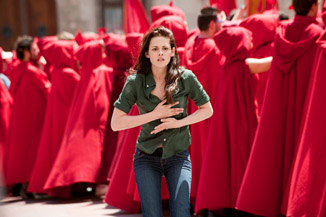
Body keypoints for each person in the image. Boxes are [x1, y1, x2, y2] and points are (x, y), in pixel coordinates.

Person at [111, 26, 213, 217]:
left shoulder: (186, 78)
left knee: (181, 212)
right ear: (147, 53)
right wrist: (154, 114)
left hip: (178, 155)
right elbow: (116, 123)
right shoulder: (135, 82)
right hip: (146, 156)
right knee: (152, 214)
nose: (160, 53)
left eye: (165, 48)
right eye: (155, 49)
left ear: (173, 51)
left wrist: (178, 123)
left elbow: (207, 110)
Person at [235, 0, 323, 216]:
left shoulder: (282, 32)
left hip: (282, 105)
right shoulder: (319, 34)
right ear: (313, 7)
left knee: (279, 151)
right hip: (307, 104)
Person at [183, 6, 223, 202]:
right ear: (213, 24)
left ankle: (193, 196)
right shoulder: (216, 49)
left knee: (193, 153)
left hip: (191, 109)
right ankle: (209, 198)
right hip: (212, 107)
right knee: (211, 153)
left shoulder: (188, 49)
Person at [4, 36, 50, 199]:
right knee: (34, 151)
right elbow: (48, 90)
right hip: (34, 117)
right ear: (26, 52)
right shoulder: (31, 71)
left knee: (25, 152)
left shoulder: (16, 69)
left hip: (22, 117)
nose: (37, 51)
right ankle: (33, 185)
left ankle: (26, 185)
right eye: (34, 49)